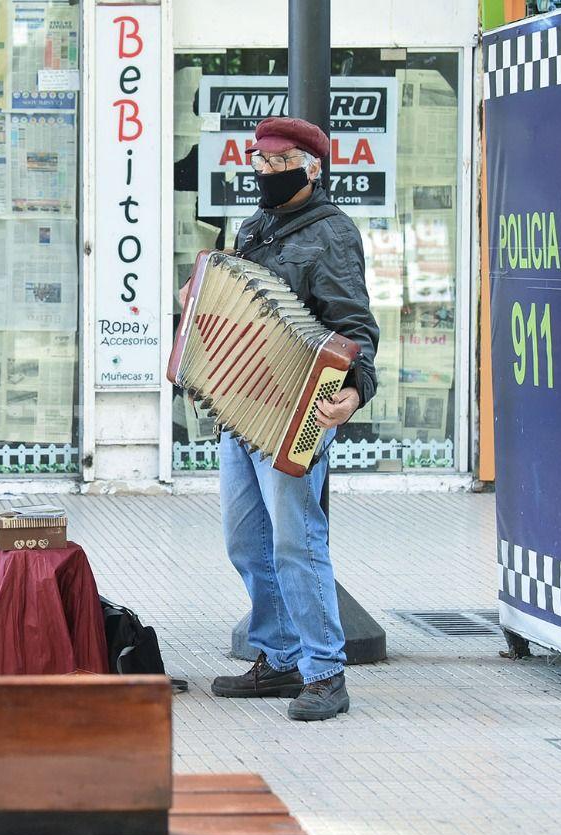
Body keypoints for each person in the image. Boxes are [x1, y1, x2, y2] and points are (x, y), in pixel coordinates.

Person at [181, 117, 379, 721]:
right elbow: (232, 308)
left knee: (297, 541)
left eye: (277, 162)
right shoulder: (253, 227)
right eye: (259, 162)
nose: (264, 172)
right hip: (244, 410)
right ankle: (279, 657)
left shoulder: (333, 236)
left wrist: (356, 391)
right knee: (246, 540)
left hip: (297, 412)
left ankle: (325, 673)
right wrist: (194, 304)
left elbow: (357, 330)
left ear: (310, 168)